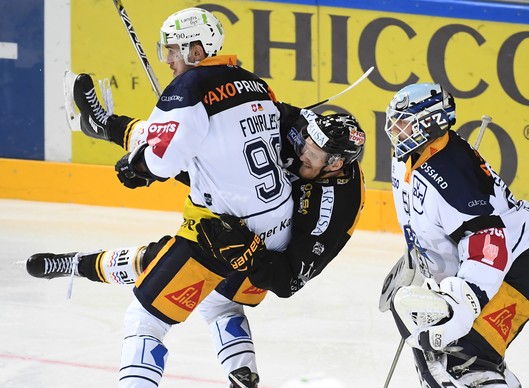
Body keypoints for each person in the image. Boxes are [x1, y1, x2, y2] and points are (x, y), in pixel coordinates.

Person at [26, 7, 367, 386]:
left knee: (149, 305)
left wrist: (140, 168)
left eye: (174, 49)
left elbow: (288, 281)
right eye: (306, 141)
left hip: (246, 245)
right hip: (262, 220)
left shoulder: (339, 204)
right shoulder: (270, 99)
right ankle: (105, 126)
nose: (303, 151)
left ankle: (79, 262)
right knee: (217, 298)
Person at [378, 82, 529, 387]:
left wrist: (462, 305)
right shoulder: (408, 156)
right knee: (440, 359)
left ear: (429, 123)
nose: (395, 130)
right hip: (490, 264)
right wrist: (419, 262)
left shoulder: (453, 177)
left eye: (403, 123)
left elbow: (488, 246)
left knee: (465, 361)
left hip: (524, 264)